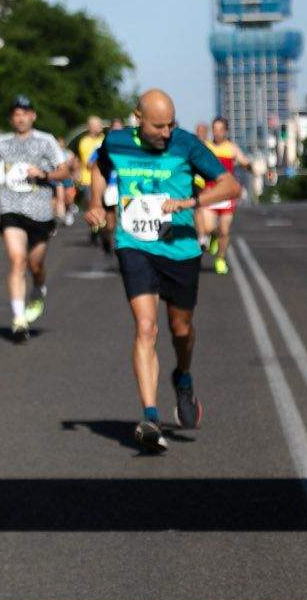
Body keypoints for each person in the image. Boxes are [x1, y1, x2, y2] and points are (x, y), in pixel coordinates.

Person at [86, 89, 239, 453]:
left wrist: (190, 201)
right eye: (158, 126)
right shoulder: (117, 142)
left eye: (171, 124)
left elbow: (231, 185)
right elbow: (97, 168)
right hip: (134, 244)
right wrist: (95, 204)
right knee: (146, 326)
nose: (166, 132)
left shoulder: (186, 145)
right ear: (138, 118)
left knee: (181, 330)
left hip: (180, 247)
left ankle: (183, 377)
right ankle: (150, 417)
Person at [0, 95, 71, 342]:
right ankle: (19, 319)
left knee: (35, 265)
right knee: (17, 260)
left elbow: (65, 170)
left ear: (33, 116)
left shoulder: (46, 141)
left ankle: (39, 288)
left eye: (25, 113)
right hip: (11, 207)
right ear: (11, 118)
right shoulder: (2, 143)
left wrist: (43, 173)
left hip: (40, 211)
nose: (20, 118)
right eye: (16, 113)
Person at [202, 118, 249, 276]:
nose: (217, 132)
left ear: (226, 131)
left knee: (225, 229)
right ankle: (213, 237)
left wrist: (249, 165)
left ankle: (220, 259)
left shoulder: (231, 148)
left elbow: (243, 161)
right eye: (214, 129)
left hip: (226, 194)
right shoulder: (206, 147)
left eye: (220, 129)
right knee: (208, 228)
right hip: (209, 192)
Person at [75, 116, 110, 254]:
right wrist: (77, 172)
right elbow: (82, 160)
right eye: (94, 125)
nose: (97, 127)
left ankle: (103, 230)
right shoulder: (84, 141)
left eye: (99, 125)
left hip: (104, 179)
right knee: (90, 206)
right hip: (87, 179)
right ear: (89, 126)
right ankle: (95, 229)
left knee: (105, 206)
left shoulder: (105, 140)